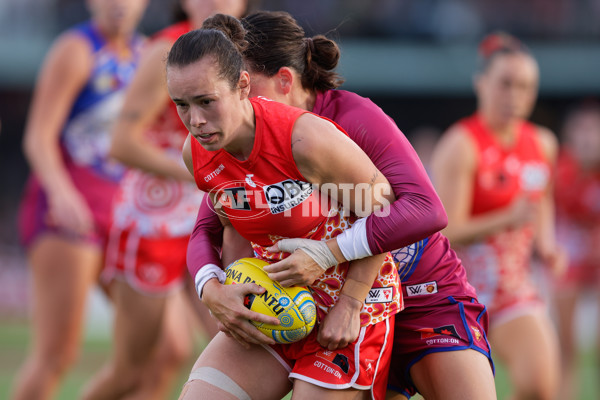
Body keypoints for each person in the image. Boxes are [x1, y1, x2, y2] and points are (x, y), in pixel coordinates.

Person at [188, 11, 497, 400]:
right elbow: (209, 227)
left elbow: (424, 209)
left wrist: (328, 257)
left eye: (246, 85)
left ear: (285, 79)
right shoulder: (240, 136)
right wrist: (212, 288)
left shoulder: (348, 117)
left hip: (420, 290)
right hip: (307, 297)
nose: (239, 98)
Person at [167, 20, 404, 399]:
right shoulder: (196, 153)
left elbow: (386, 213)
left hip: (350, 306)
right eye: (182, 105)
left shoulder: (304, 138)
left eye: (206, 101)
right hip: (274, 302)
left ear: (243, 85)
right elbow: (227, 229)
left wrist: (351, 303)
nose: (195, 121)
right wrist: (214, 290)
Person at [79, 1, 249, 399]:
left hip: (212, 217)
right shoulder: (166, 51)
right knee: (130, 372)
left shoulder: (245, 53)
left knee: (235, 355)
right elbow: (122, 144)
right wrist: (201, 175)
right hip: (152, 219)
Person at [12, 1, 149, 399]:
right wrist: (61, 192)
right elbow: (38, 136)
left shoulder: (148, 55)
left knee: (166, 347)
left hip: (124, 218)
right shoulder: (76, 50)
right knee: (56, 354)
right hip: (68, 217)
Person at [430, 32, 567, 400]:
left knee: (539, 386)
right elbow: (445, 231)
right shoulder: (461, 144)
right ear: (481, 83)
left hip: (511, 287)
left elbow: (542, 202)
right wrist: (508, 217)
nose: (515, 96)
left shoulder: (543, 143)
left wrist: (548, 243)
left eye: (525, 86)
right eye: (505, 84)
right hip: (457, 292)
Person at [552, 99, 600, 400]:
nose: (587, 137)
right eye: (581, 129)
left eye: (593, 130)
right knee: (565, 345)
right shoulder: (560, 170)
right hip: (569, 259)